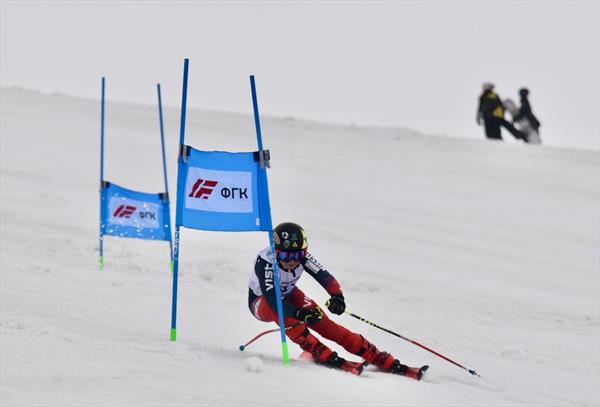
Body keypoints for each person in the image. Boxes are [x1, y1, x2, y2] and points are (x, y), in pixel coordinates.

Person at [248, 222, 427, 379]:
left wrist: (336, 296)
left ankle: (377, 356)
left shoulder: (302, 258)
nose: (292, 261)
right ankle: (319, 352)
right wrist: (299, 314)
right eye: (287, 256)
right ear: (276, 250)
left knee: (326, 325)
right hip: (261, 302)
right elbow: (272, 300)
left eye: (297, 256)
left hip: (288, 293)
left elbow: (325, 277)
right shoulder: (265, 262)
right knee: (283, 314)